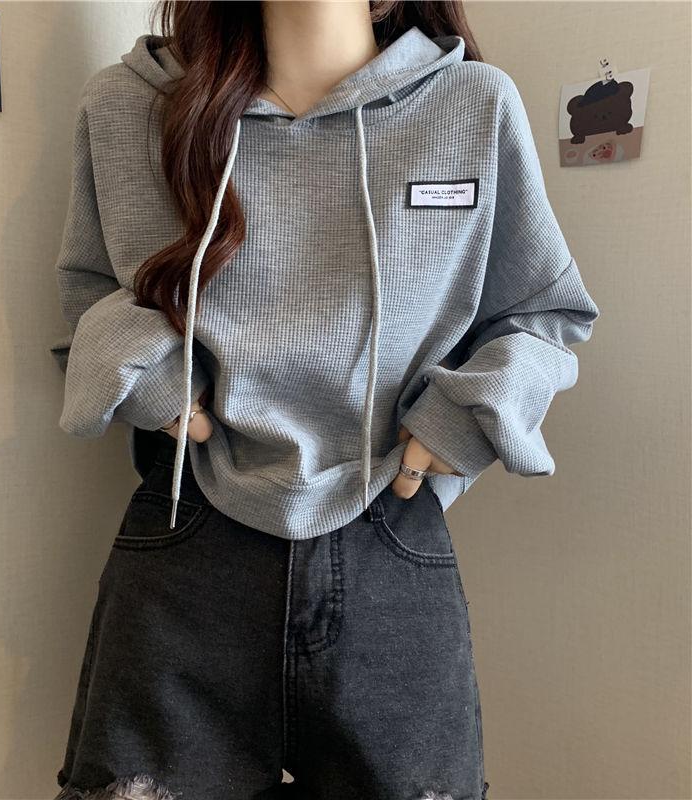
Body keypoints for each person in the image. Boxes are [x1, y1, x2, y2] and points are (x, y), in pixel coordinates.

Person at [49, 2, 600, 798]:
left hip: (391, 530)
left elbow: (543, 310)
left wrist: (462, 420)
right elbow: (89, 290)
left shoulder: (472, 105)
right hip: (190, 528)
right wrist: (155, 385)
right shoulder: (128, 105)